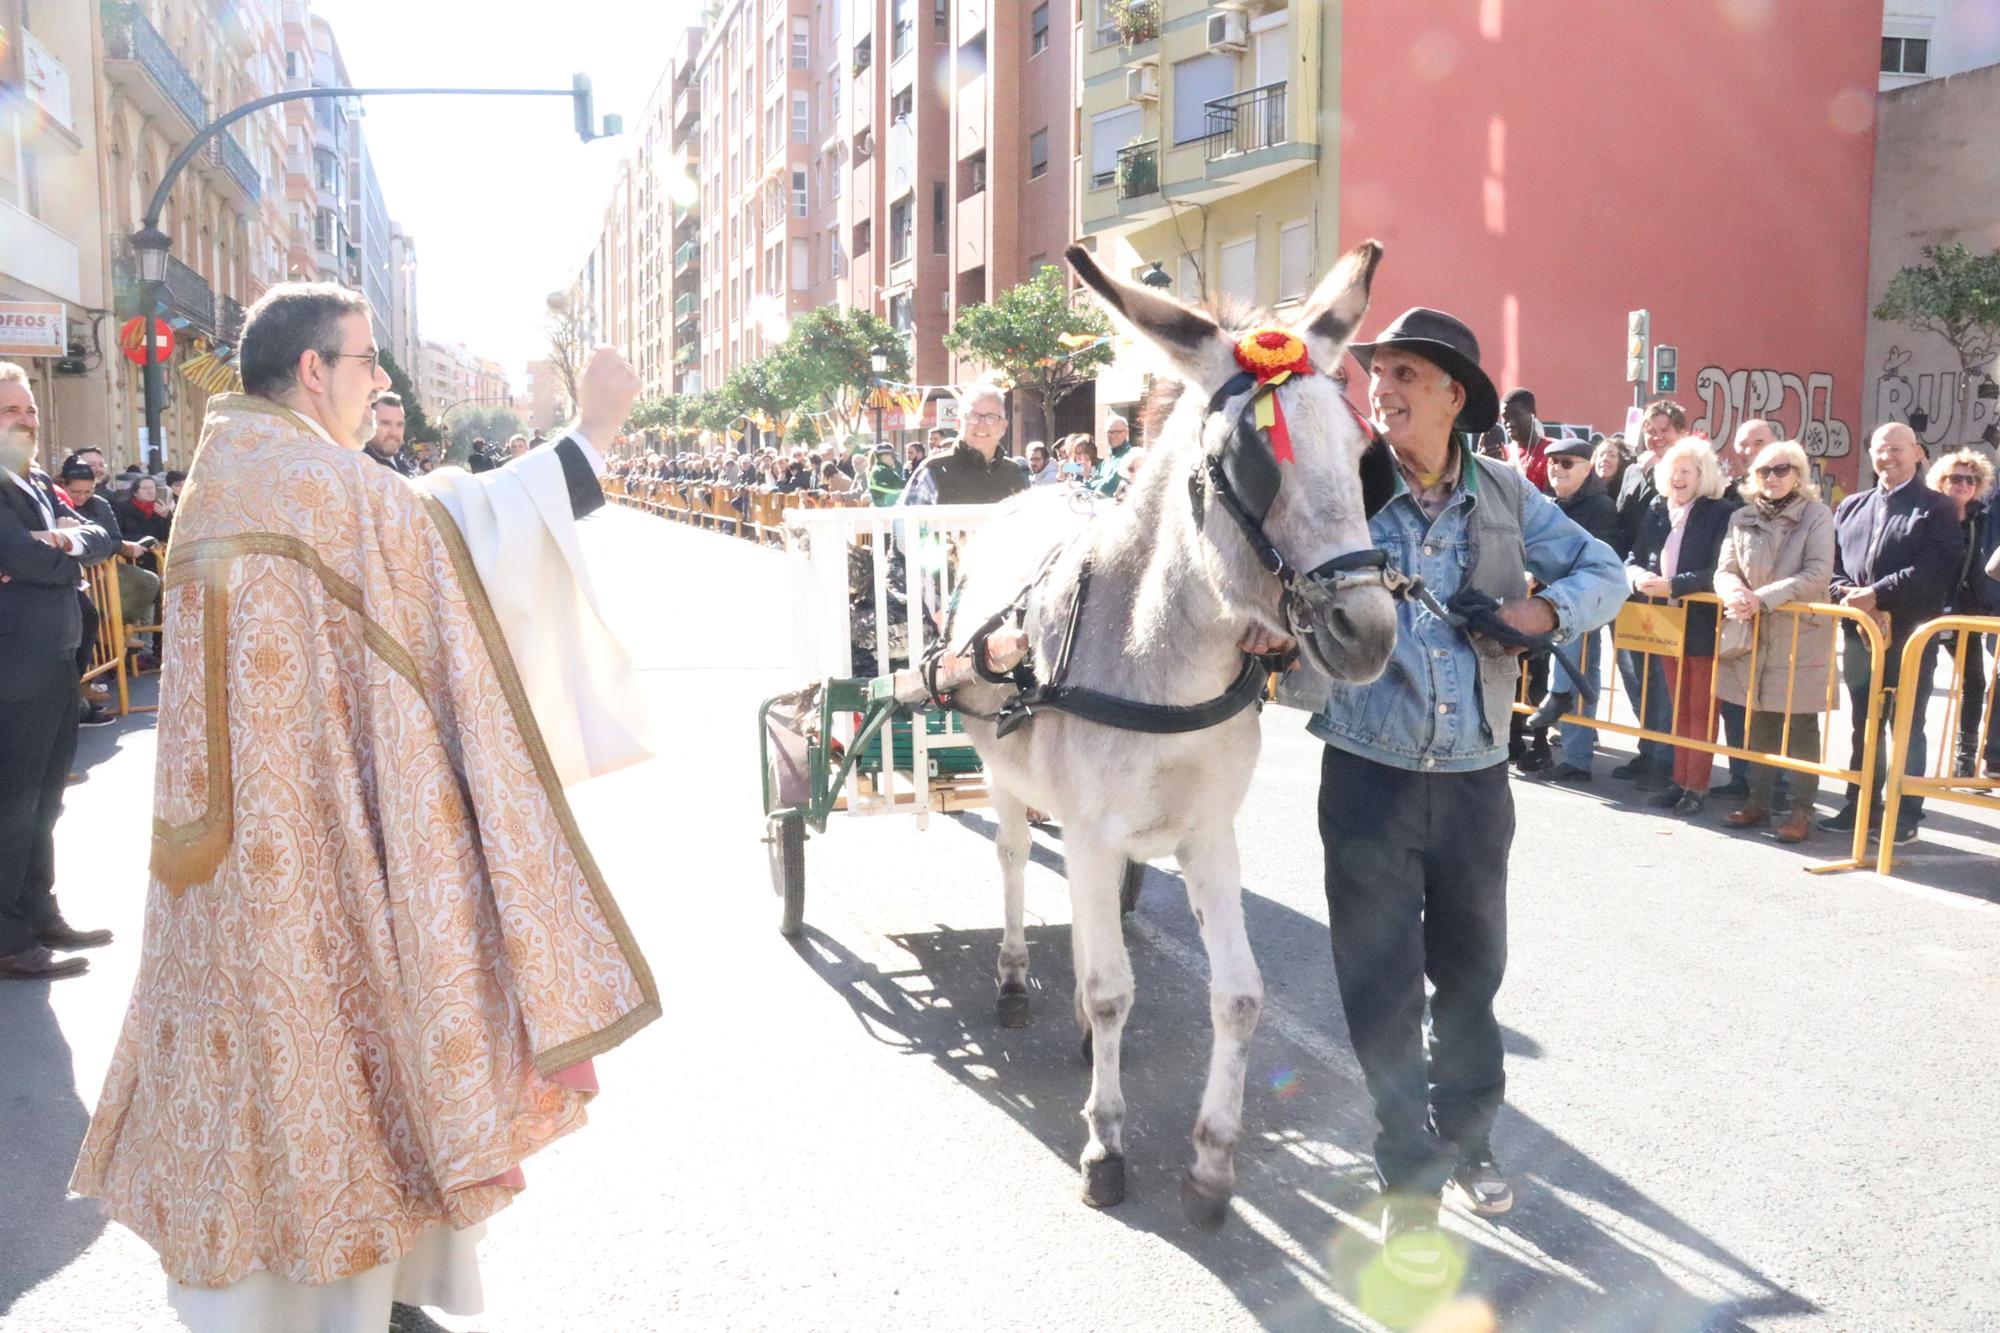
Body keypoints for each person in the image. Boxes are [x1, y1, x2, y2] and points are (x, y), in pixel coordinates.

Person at [69, 285, 660, 1333]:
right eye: (367, 360)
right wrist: (593, 432)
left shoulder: (235, 471)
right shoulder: (299, 478)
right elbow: (458, 532)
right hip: (315, 853)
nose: (380, 381)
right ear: (313, 372)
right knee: (339, 1047)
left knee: (263, 1058)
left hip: (231, 863)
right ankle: (332, 1303)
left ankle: (275, 1296)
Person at [1293, 307, 1624, 1285]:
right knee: (1380, 995)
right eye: (1375, 372)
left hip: (1476, 779)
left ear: (1452, 394)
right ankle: (1410, 1186)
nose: (1380, 387)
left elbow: (1604, 570)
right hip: (1365, 771)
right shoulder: (1346, 487)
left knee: (1471, 978)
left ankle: (1469, 1133)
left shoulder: (1507, 497)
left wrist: (1541, 611)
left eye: (1402, 372)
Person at [0, 362, 121, 981]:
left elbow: (104, 535)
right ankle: (8, 937)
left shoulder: (38, 484)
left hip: (56, 661)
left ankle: (39, 912)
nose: (25, 420)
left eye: (30, 411)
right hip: (13, 667)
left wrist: (68, 543)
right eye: (10, 411)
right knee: (12, 804)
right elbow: (19, 557)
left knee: (46, 802)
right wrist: (57, 550)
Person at [1822, 422, 1965, 842]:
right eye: (1880, 450)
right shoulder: (1851, 506)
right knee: (1863, 722)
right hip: (1860, 632)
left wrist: (1877, 593)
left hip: (1909, 634)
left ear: (1918, 453)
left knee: (1905, 724)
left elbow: (1936, 568)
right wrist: (1846, 592)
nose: (1887, 457)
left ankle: (1905, 813)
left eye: (1897, 450)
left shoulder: (1937, 507)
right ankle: (1860, 804)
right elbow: (1831, 564)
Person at [1712, 438, 1835, 842]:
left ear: (1798, 474)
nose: (1773, 477)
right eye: (1765, 470)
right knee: (1758, 719)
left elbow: (1817, 574)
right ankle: (1758, 802)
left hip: (1800, 634)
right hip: (1756, 632)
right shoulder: (1741, 517)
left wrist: (1759, 599)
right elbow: (1725, 568)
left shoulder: (1816, 515)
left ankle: (1801, 810)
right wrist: (1733, 594)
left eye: (1783, 469)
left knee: (1801, 726)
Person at [1626, 437, 1734, 815]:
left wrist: (1674, 585)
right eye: (1673, 470)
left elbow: (1717, 571)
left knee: (1701, 709)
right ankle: (1679, 779)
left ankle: (1697, 786)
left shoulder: (1719, 512)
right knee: (1678, 707)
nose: (1678, 477)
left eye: (1686, 471)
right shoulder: (1656, 507)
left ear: (1702, 476)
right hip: (1666, 621)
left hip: (1704, 622)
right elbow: (1634, 556)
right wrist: (1638, 576)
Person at [1528, 436, 1621, 781]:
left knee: (1579, 672)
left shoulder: (1600, 507)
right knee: (1572, 671)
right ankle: (1569, 747)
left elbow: (1599, 562)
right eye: (1552, 462)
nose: (1557, 468)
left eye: (1567, 463)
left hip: (1583, 603)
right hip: (1553, 602)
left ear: (1587, 468)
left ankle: (1577, 757)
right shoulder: (1549, 505)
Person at [1610, 402, 1688, 786]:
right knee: (1634, 675)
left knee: (1661, 680)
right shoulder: (1633, 471)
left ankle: (1663, 758)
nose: (1656, 437)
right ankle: (1647, 749)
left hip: (1665, 593)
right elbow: (1624, 522)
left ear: (1681, 433)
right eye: (1650, 431)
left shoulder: (1687, 471)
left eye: (1664, 430)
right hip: (1631, 587)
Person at [1927, 447, 2000, 778]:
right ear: (1942, 481)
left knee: (1974, 679)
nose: (1964, 484)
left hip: (1963, 614)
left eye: (1971, 479)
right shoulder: (1927, 514)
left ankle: (1964, 758)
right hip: (1924, 613)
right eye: (1956, 478)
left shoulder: (1980, 520)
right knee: (1915, 681)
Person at [900, 380, 1027, 506]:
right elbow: (905, 523)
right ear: (958, 424)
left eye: (991, 418)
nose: (981, 426)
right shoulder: (933, 472)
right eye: (972, 417)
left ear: (1003, 427)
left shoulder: (1013, 472)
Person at [1498, 387, 1553, 493]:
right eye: (1505, 417)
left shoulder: (1553, 451)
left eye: (1516, 415)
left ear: (1533, 414)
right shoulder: (1500, 454)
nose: (1510, 423)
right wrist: (1486, 466)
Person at [363, 389, 412, 473]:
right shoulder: (356, 468)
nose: (394, 432)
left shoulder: (406, 467)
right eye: (386, 423)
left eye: (399, 424)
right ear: (367, 423)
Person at [1087, 412, 1133, 496]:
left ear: (1126, 432)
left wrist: (1092, 491)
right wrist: (1083, 488)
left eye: (1117, 432)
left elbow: (1110, 484)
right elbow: (1092, 480)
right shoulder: (1106, 461)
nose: (1112, 436)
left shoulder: (1130, 457)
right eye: (1109, 432)